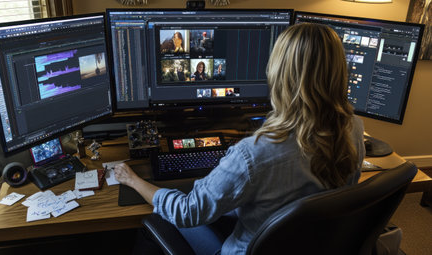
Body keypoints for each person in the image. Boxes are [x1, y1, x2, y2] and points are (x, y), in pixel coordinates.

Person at [114, 23, 365, 255]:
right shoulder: (352, 127)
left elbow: (186, 212)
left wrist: (134, 181)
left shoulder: (255, 153)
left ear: (280, 74)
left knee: (160, 217)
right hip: (311, 245)